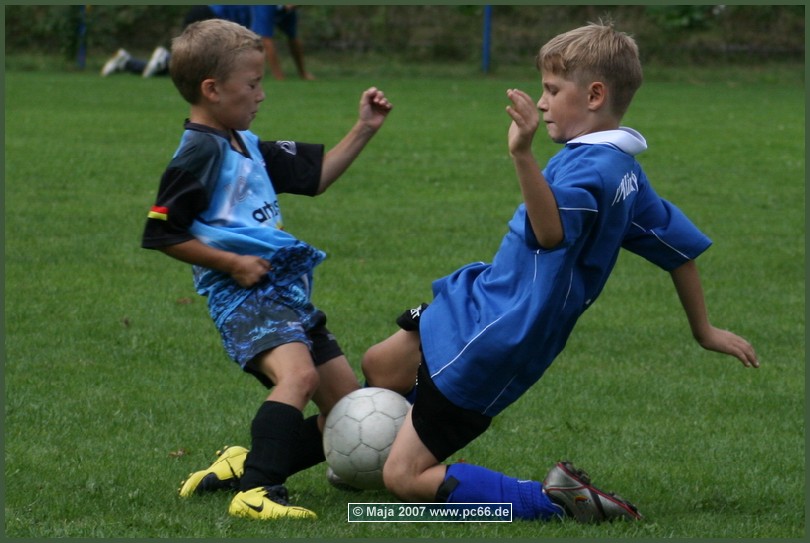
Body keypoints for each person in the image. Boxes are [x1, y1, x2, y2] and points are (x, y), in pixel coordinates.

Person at [360, 22, 758, 523]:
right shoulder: (624, 171)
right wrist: (704, 330)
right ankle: (359, 445)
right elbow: (678, 249)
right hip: (481, 304)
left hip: (497, 335)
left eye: (551, 90)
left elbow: (549, 234)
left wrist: (522, 154)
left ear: (594, 95)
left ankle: (551, 501)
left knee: (403, 478)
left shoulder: (588, 170)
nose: (542, 103)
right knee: (380, 363)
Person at [140, 18, 392, 520]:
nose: (261, 94)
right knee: (295, 378)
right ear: (212, 90)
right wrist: (231, 262)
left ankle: (244, 463)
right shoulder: (198, 152)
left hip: (286, 290)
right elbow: (162, 232)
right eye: (253, 84)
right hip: (244, 294)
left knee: (348, 412)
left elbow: (315, 177)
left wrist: (363, 128)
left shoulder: (245, 143)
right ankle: (258, 493)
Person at [102, 5, 314, 80]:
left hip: (216, 24)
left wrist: (303, 73)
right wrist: (280, 77)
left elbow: (293, 40)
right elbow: (265, 41)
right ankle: (164, 59)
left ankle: (127, 62)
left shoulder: (288, 11)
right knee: (195, 75)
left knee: (189, 74)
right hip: (206, 17)